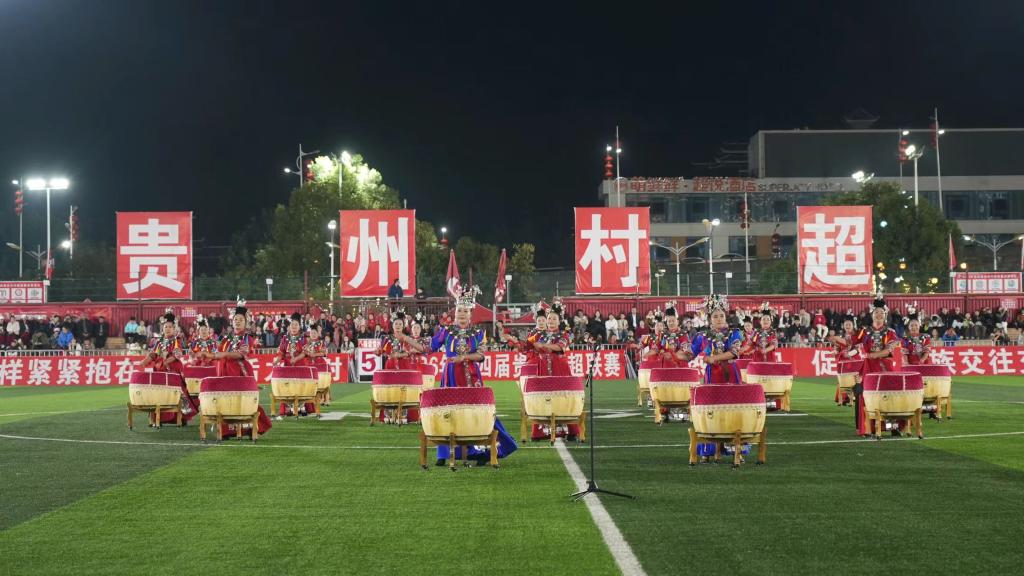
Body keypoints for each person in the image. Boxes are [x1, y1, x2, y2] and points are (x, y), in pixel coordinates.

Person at [429, 286, 516, 465]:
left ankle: (481, 452)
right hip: (451, 375)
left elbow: (481, 355)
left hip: (471, 375)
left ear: (470, 314)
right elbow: (428, 347)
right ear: (455, 313)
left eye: (465, 311)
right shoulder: (446, 331)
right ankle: (444, 453)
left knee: (476, 411)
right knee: (447, 410)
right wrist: (404, 338)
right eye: (459, 310)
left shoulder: (478, 333)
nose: (461, 314)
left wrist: (464, 357)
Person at [835, 297, 901, 437]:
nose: (879, 315)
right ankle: (866, 428)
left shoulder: (890, 332)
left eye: (882, 313)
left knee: (888, 396)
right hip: (867, 369)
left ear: (885, 315)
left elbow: (888, 351)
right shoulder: (864, 331)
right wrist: (845, 349)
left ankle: (891, 426)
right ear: (872, 315)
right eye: (876, 312)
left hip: (884, 369)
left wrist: (871, 355)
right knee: (864, 395)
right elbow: (853, 344)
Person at [210, 301, 272, 437]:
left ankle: (249, 428)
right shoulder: (226, 339)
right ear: (232, 322)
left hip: (240, 372)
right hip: (225, 372)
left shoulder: (247, 338)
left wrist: (223, 354)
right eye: (235, 319)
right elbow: (216, 353)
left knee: (244, 400)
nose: (237, 322)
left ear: (246, 323)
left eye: (241, 320)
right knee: (226, 400)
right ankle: (227, 430)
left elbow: (241, 354)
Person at [139, 312, 198, 426]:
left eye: (170, 327)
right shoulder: (159, 341)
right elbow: (154, 354)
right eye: (165, 327)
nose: (167, 329)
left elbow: (177, 354)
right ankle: (157, 418)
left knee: (178, 392)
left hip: (173, 370)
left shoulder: (176, 340)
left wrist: (165, 362)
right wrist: (144, 361)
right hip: (160, 371)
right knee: (158, 393)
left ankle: (181, 417)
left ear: (174, 329)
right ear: (162, 328)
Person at [690, 295, 742, 385]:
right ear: (710, 319)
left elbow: (734, 352)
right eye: (715, 317)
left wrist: (713, 358)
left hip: (730, 372)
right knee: (713, 393)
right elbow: (691, 354)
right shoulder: (702, 336)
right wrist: (675, 355)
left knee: (732, 393)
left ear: (725, 317)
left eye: (722, 316)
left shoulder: (734, 333)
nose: (719, 319)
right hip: (712, 373)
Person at [276, 313, 313, 416]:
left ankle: (302, 406)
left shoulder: (304, 338)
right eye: (292, 325)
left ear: (299, 327)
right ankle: (289, 407)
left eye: (296, 325)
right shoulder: (285, 338)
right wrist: (277, 360)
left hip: (300, 365)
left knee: (301, 386)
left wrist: (295, 359)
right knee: (288, 386)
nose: (294, 327)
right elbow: (281, 352)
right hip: (288, 365)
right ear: (289, 326)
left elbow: (305, 352)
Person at [829, 319, 860, 406]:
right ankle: (843, 398)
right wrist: (835, 352)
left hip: (854, 360)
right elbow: (838, 348)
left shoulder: (856, 336)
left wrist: (849, 354)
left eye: (849, 324)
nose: (848, 326)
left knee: (854, 380)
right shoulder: (841, 336)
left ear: (853, 326)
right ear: (843, 326)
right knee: (842, 380)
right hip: (843, 361)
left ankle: (854, 398)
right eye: (846, 324)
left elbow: (858, 348)